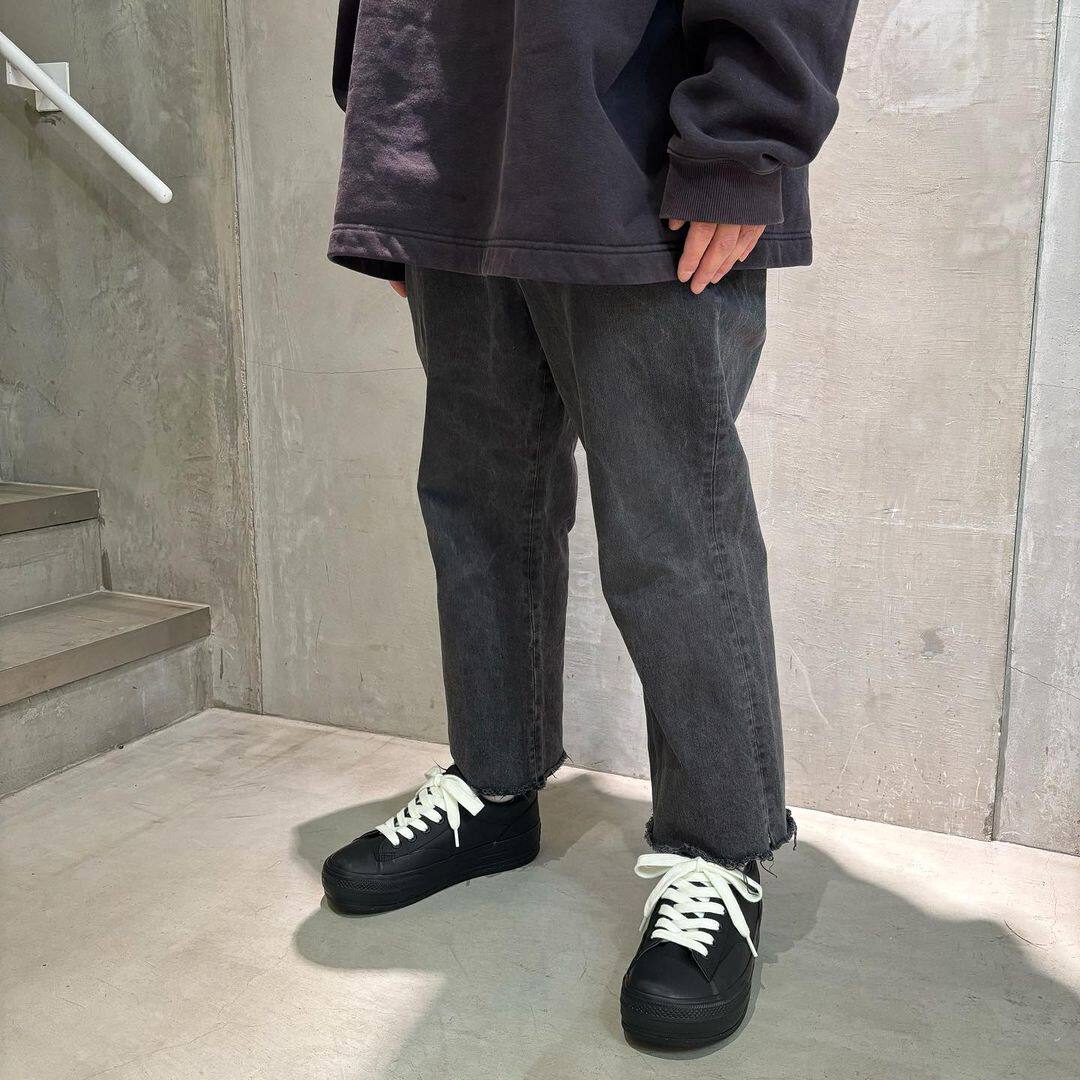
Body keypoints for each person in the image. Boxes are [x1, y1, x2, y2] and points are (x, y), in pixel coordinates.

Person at [322, 0, 859, 1049]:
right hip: (453, 132)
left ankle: (718, 851)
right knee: (477, 496)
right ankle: (493, 784)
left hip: (634, 134)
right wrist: (389, 140)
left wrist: (744, 135)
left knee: (672, 523)